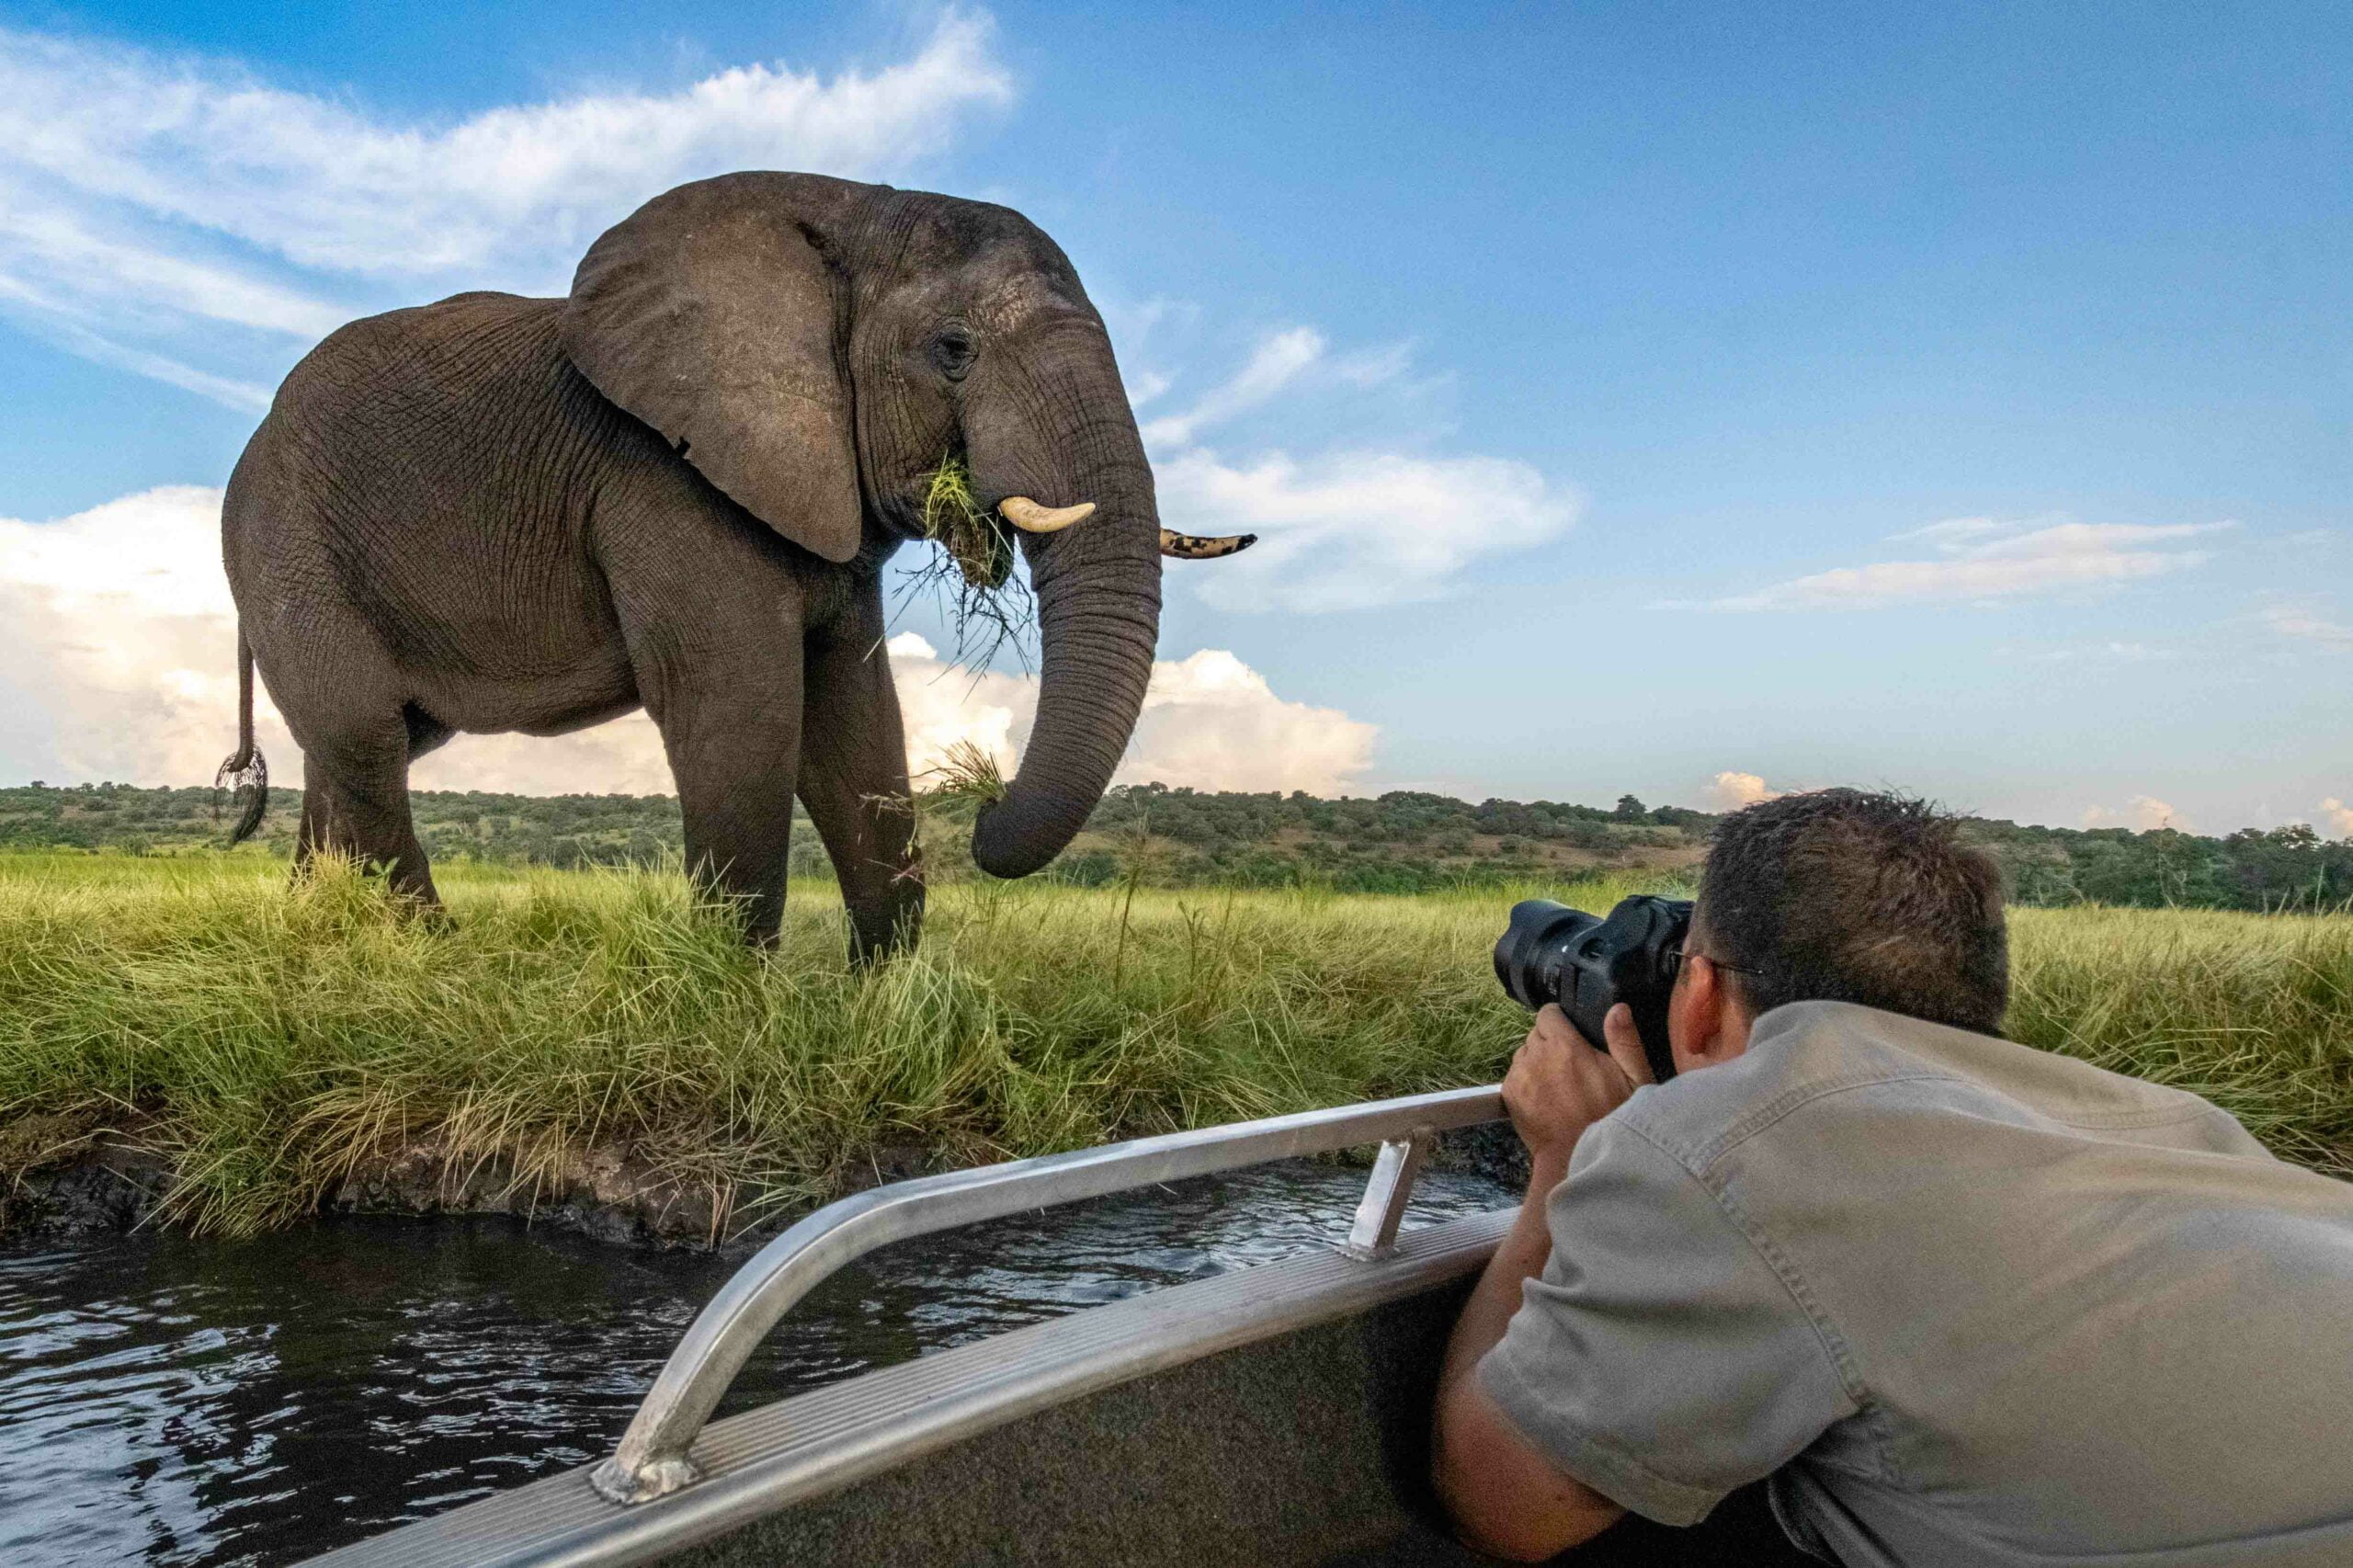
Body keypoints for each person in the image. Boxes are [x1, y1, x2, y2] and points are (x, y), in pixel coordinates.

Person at [1430, 789, 2353, 1565]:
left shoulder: (1735, 1141)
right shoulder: (2184, 1124)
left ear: (1703, 994)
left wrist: (1566, 1155)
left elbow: (1503, 1498)